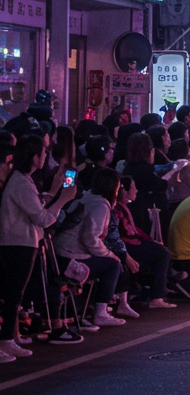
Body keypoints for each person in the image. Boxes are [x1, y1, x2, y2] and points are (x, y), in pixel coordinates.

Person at [0, 138, 77, 359]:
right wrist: (62, 199)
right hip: (18, 243)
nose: (45, 158)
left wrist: (54, 192)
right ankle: (5, 339)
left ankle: (9, 338)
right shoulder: (21, 183)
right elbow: (42, 218)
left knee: (15, 293)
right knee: (13, 293)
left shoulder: (23, 180)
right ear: (34, 157)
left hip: (22, 241)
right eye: (44, 153)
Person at [53, 167, 128, 326]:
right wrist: (109, 254)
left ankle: (96, 308)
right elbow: (90, 238)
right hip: (71, 255)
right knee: (113, 265)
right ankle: (101, 312)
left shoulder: (86, 197)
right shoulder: (100, 206)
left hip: (61, 251)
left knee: (110, 261)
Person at [113, 176, 174, 308]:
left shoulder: (123, 207)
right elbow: (122, 235)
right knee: (162, 253)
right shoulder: (116, 210)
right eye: (133, 188)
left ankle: (151, 291)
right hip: (124, 247)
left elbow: (134, 230)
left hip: (129, 243)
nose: (136, 191)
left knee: (160, 249)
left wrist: (150, 240)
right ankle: (156, 296)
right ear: (124, 191)